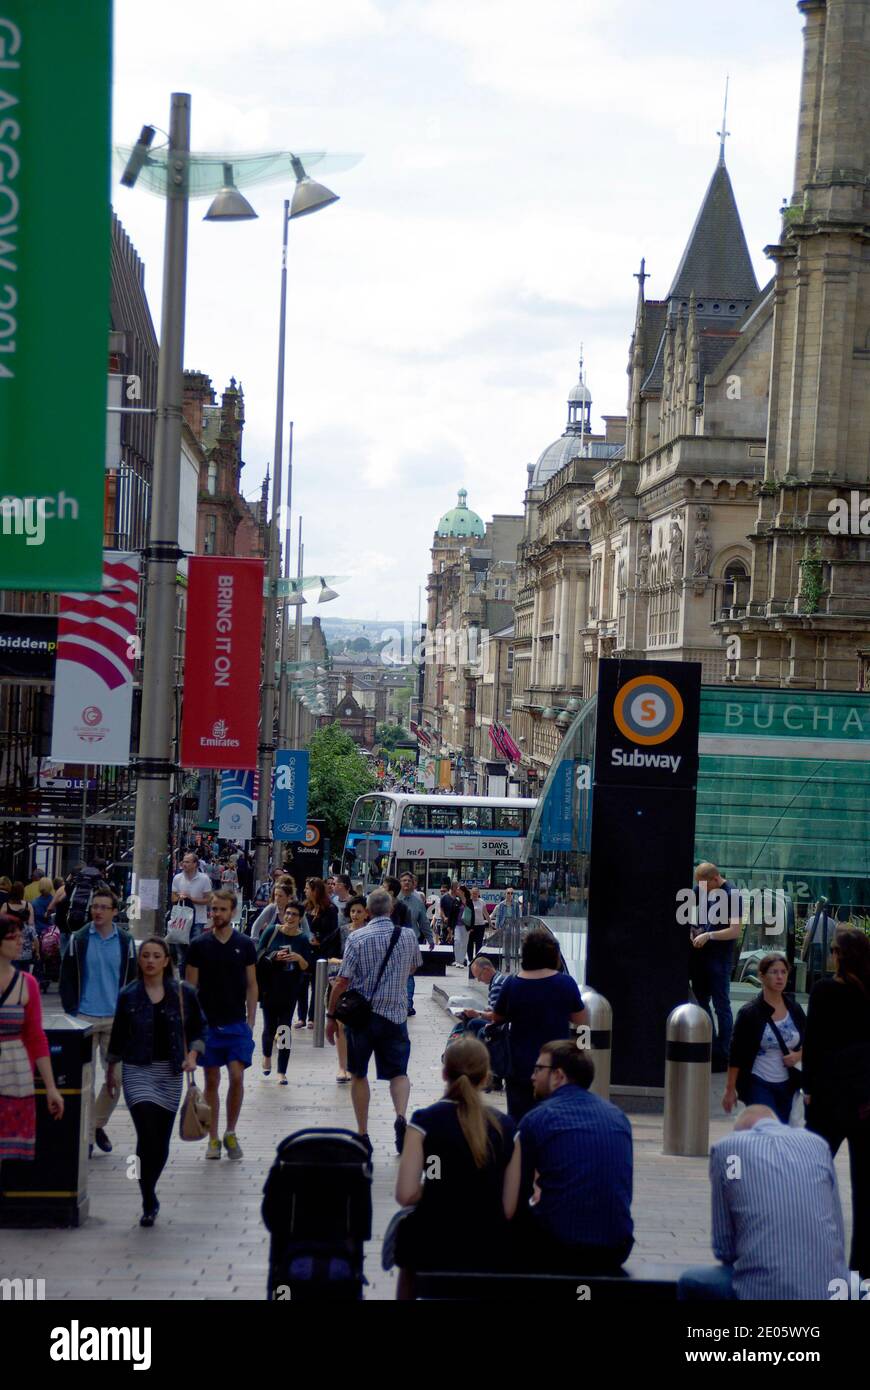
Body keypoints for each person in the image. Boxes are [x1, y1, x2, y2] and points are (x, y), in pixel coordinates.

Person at [389, 1036, 520, 1299]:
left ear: (444, 1073)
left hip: (435, 1242)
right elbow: (508, 1208)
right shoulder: (506, 1127)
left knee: (410, 1237)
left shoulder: (424, 1121)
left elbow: (405, 1195)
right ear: (486, 1077)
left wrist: (441, 1187)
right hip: (488, 1245)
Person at [677, 1105, 848, 1300]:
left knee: (691, 1281)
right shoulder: (818, 1145)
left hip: (762, 1291)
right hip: (831, 1291)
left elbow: (724, 1247)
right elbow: (838, 1237)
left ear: (742, 1132)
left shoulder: (727, 1148)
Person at [105, 936, 205, 1226]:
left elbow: (199, 1029)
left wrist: (194, 1054)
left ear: (166, 960)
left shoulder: (184, 993)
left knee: (160, 1141)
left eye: (155, 955)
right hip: (137, 1069)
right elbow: (118, 1035)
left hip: (171, 1072)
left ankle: (150, 1190)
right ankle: (147, 1196)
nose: (149, 960)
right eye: (145, 955)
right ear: (140, 960)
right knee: (146, 1132)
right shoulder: (129, 994)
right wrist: (111, 1070)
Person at [514, 1041, 633, 1273]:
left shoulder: (537, 1119)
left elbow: (518, 1195)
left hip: (559, 1246)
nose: (532, 1076)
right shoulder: (618, 1117)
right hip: (616, 1245)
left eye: (538, 1069)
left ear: (558, 1076)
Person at [325, 887, 422, 1158]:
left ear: (368, 911)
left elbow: (342, 981)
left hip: (362, 1018)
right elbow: (414, 967)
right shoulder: (407, 936)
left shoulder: (357, 937)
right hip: (395, 1015)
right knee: (399, 1073)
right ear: (391, 909)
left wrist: (331, 1017)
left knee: (358, 1073)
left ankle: (363, 1133)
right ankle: (401, 1116)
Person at [802, 926, 870, 1278]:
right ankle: (863, 1265)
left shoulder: (825, 990)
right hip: (865, 1100)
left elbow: (813, 1043)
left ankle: (811, 1254)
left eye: (832, 949)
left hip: (828, 1097)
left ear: (839, 955)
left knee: (812, 1178)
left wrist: (807, 1089)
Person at [59, 885, 138, 1155]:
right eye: (95, 906)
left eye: (104, 907)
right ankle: (89, 1136)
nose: (98, 911)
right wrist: (71, 1011)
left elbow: (133, 980)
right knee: (84, 1080)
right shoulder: (79, 939)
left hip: (116, 1019)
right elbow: (67, 977)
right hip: (84, 1018)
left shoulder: (126, 942)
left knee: (117, 1079)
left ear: (115, 912)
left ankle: (94, 1124)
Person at [186, 889, 257, 1160]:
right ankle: (214, 1138)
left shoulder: (245, 944)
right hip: (208, 1024)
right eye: (214, 909)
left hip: (236, 1023)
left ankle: (231, 1131)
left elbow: (252, 984)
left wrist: (251, 1019)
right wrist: (190, 1026)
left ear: (233, 912)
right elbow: (190, 988)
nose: (216, 914)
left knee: (237, 1076)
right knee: (211, 1080)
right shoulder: (199, 945)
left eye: (222, 909)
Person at [490, 929, 587, 1120]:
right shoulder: (565, 983)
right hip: (557, 1064)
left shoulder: (512, 983)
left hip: (520, 1065)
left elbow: (497, 1017)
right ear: (553, 955)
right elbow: (581, 1020)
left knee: (520, 1118)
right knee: (555, 1116)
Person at [0, 915, 64, 1167]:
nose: (19, 943)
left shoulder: (28, 984)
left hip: (15, 1077)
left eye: (20, 937)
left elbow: (36, 1037)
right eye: (11, 938)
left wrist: (51, 1087)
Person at [723, 953, 805, 1124]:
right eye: (774, 972)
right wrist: (730, 1089)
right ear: (761, 976)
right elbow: (736, 1052)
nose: (780, 977)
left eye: (783, 972)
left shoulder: (794, 1008)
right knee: (767, 1128)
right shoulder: (750, 1013)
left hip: (788, 1083)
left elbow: (812, 1041)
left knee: (782, 1132)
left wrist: (798, 1056)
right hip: (758, 1082)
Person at [690, 862, 742, 1072]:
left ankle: (723, 1053)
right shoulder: (702, 888)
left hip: (720, 956)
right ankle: (712, 1048)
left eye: (705, 886)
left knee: (722, 1005)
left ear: (715, 879)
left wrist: (708, 934)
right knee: (702, 1000)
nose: (702, 890)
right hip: (702, 955)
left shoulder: (732, 894)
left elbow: (735, 931)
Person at [257, 902, 314, 1084]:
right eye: (287, 913)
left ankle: (282, 1070)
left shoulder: (302, 939)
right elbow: (259, 952)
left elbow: (308, 966)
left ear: (300, 918)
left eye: (294, 915)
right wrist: (274, 956)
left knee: (285, 1028)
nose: (289, 917)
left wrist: (298, 958)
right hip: (269, 987)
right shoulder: (272, 930)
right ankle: (266, 1055)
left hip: (289, 989)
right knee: (269, 1027)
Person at [299, 878, 341, 1029]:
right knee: (302, 984)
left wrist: (320, 940)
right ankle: (301, 1016)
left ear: (315, 890)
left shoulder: (330, 909)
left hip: (321, 951)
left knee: (318, 985)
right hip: (306, 950)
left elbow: (333, 932)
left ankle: (313, 1017)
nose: (305, 891)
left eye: (307, 888)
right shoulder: (305, 907)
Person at [170, 851, 215, 974]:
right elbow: (172, 898)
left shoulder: (204, 879)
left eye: (188, 862)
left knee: (195, 949)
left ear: (195, 864)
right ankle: (183, 978)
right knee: (181, 952)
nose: (184, 864)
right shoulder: (177, 878)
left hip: (198, 920)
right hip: (181, 920)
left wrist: (191, 899)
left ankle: (195, 977)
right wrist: (180, 897)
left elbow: (208, 899)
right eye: (183, 861)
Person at [249, 876, 297, 945]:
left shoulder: (296, 908)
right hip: (271, 946)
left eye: (280, 896)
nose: (277, 898)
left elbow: (306, 929)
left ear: (289, 897)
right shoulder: (272, 908)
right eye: (275, 895)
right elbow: (256, 925)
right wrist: (255, 941)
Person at [454, 885, 474, 969]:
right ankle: (457, 960)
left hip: (466, 926)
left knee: (464, 944)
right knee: (457, 942)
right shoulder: (456, 901)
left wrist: (472, 926)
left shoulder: (469, 901)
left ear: (462, 892)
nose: (456, 891)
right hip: (457, 925)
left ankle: (461, 961)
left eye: (458, 890)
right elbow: (453, 913)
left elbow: (473, 914)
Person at [439, 879, 461, 948]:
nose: (458, 888)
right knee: (446, 943)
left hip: (456, 925)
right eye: (456, 887)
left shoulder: (458, 898)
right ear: (452, 887)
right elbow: (441, 910)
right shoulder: (444, 897)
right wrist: (444, 917)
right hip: (446, 925)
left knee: (455, 943)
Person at [468, 887, 488, 961]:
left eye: (476, 893)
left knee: (479, 944)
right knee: (469, 944)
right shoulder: (468, 902)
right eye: (473, 893)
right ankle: (470, 960)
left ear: (479, 894)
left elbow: (485, 913)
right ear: (471, 894)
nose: (474, 895)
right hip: (471, 926)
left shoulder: (482, 902)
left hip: (480, 926)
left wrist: (490, 923)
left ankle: (477, 960)